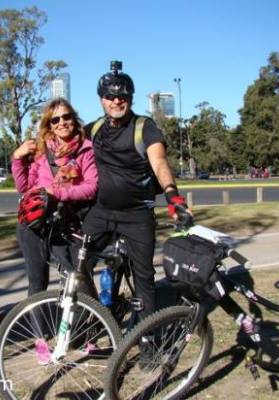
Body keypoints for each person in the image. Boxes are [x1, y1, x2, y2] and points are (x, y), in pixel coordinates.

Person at [82, 61, 190, 324]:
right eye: (110, 96)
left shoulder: (145, 127)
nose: (116, 101)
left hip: (136, 215)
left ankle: (148, 341)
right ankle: (99, 318)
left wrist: (172, 196)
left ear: (129, 98)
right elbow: (68, 152)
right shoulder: (93, 129)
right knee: (79, 263)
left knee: (144, 278)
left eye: (122, 96)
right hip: (101, 212)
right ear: (101, 100)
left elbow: (159, 161)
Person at [12, 98, 98, 297]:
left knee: (76, 280)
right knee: (36, 284)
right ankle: (39, 329)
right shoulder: (43, 151)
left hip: (66, 224)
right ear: (49, 125)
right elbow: (24, 187)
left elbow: (91, 187)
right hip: (35, 224)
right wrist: (17, 158)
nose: (61, 122)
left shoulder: (86, 149)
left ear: (74, 119)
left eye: (66, 116)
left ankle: (85, 324)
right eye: (55, 119)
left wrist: (56, 192)